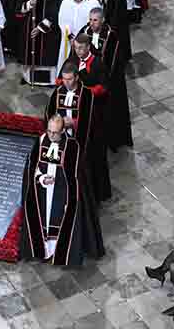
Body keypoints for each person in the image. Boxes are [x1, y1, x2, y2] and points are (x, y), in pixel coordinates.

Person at [19, 114, 105, 266]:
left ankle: (59, 253)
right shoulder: (41, 141)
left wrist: (70, 199)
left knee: (59, 223)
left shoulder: (72, 147)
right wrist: (41, 178)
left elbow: (77, 177)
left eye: (54, 132)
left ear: (63, 131)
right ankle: (44, 252)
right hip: (43, 194)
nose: (50, 135)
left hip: (62, 195)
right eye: (49, 131)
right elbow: (32, 167)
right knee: (43, 223)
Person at [45, 59, 110, 202]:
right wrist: (59, 123)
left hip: (82, 142)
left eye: (69, 79)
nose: (66, 82)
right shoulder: (57, 93)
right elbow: (48, 114)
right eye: (64, 79)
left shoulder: (87, 95)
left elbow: (94, 121)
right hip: (62, 139)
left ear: (76, 77)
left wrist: (74, 123)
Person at [83, 6, 133, 151]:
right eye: (90, 20)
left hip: (107, 83)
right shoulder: (85, 32)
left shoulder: (111, 37)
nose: (92, 23)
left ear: (103, 20)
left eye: (95, 20)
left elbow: (114, 63)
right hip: (89, 82)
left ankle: (111, 141)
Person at [17, 0, 62, 84]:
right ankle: (27, 77)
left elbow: (54, 15)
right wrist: (28, 4)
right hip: (29, 29)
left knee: (45, 53)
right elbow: (18, 9)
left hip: (46, 32)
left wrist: (40, 28)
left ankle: (45, 80)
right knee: (28, 52)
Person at [55, 0, 100, 79]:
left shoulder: (93, 3)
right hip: (68, 40)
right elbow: (62, 20)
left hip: (85, 41)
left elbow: (96, 24)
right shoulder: (66, 1)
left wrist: (80, 39)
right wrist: (70, 37)